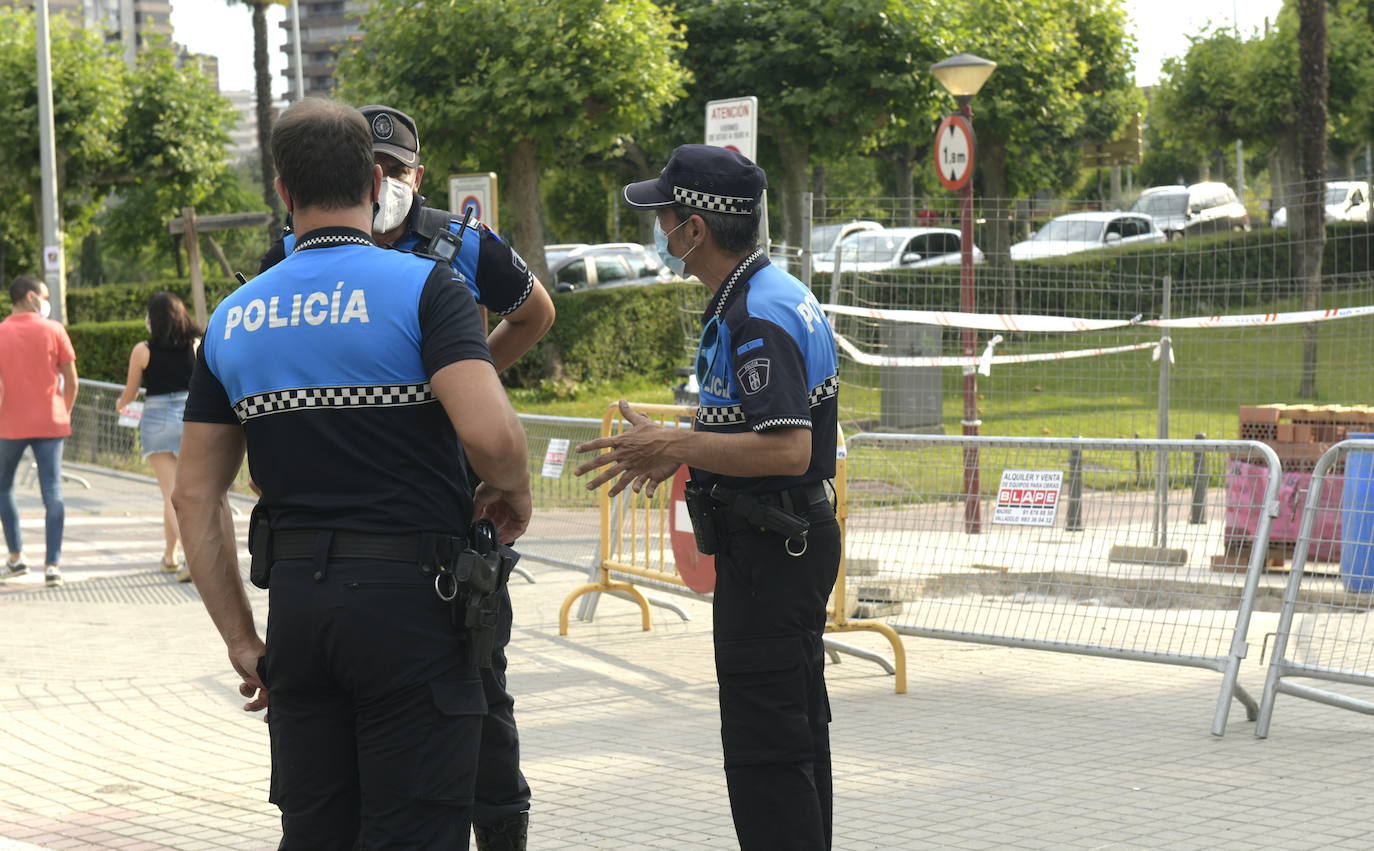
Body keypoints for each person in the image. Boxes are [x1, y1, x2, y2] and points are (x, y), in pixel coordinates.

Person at [172, 98, 532, 849]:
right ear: (376, 180)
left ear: (282, 190)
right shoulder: (427, 291)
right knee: (417, 829)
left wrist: (243, 642)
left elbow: (195, 495)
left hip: (300, 612)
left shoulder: (235, 318)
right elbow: (493, 437)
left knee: (316, 830)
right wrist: (513, 489)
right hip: (414, 608)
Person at [574, 144, 842, 850]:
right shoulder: (760, 294)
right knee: (793, 735)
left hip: (773, 550)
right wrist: (680, 441)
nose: (658, 229)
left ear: (695, 228)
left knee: (767, 750)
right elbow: (760, 426)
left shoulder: (757, 315)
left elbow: (790, 447)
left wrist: (679, 446)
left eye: (663, 214)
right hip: (777, 543)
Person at [259, 103, 555, 373]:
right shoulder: (292, 252)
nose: (384, 182)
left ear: (418, 178)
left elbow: (536, 314)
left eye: (398, 170)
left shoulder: (464, 242)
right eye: (372, 169)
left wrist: (468, 379)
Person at [115, 291, 201, 582]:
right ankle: (169, 556)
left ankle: (190, 559)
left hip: (156, 419)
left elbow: (130, 392)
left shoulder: (142, 350)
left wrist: (121, 404)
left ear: (153, 318)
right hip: (191, 419)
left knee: (170, 494)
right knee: (183, 494)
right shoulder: (195, 344)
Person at [0, 275, 78, 589]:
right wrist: (64, 412)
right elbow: (72, 380)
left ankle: (17, 558)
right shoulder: (54, 330)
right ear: (32, 297)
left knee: (4, 488)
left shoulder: (2, 332)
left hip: (10, 423)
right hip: (51, 421)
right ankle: (52, 566)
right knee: (53, 492)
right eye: (44, 295)